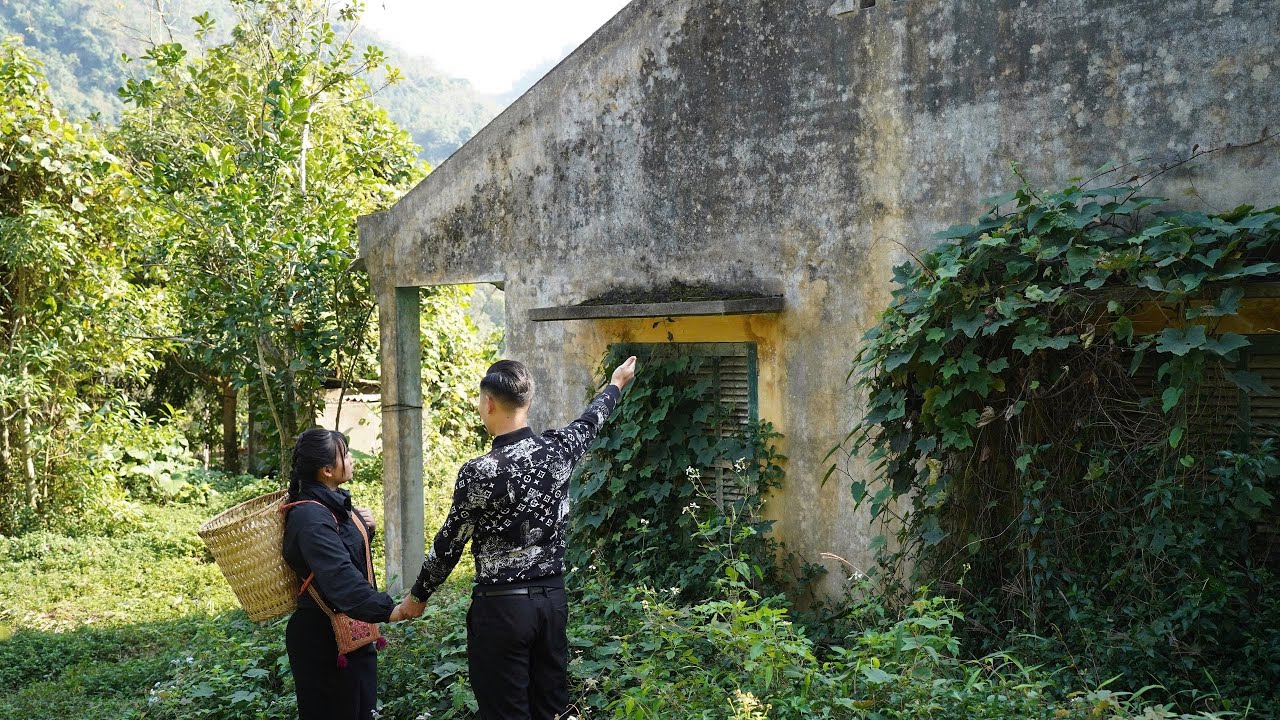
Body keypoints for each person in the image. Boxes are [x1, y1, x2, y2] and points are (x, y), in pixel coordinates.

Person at [395, 356, 638, 720]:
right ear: (528, 401)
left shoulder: (480, 471)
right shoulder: (559, 449)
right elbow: (591, 420)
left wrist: (417, 597)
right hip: (551, 603)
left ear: (489, 403)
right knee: (551, 711)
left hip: (502, 610)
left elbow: (450, 543)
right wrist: (616, 383)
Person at [282, 428, 407, 720]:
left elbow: (345, 556)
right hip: (323, 640)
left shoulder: (332, 504)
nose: (351, 459)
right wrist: (390, 610)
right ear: (327, 470)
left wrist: (366, 529)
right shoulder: (310, 517)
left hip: (352, 631)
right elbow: (339, 576)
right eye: (345, 455)